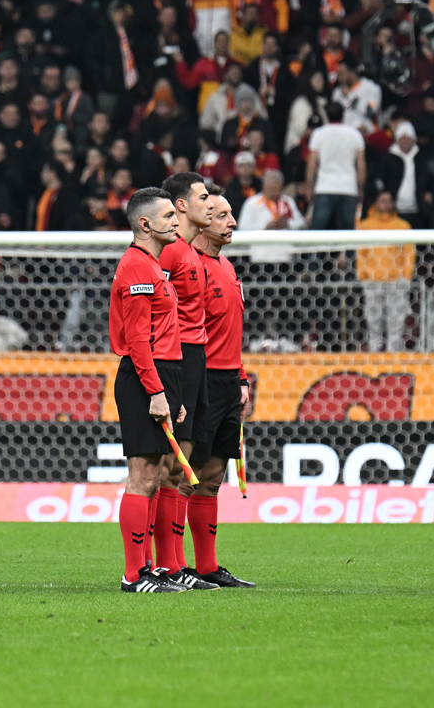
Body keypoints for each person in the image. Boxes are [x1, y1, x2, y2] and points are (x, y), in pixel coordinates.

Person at [110, 187, 188, 594]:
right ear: (145, 224)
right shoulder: (137, 267)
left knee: (156, 474)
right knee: (141, 475)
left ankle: (148, 569)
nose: (176, 222)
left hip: (162, 374)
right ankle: (133, 575)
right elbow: (138, 339)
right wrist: (156, 391)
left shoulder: (154, 268)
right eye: (168, 217)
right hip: (146, 374)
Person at [182, 184, 255, 589]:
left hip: (229, 381)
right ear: (203, 220)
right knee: (186, 475)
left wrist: (241, 378)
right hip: (202, 380)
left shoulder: (227, 267)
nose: (232, 222)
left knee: (212, 477)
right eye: (224, 215)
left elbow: (230, 333)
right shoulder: (189, 266)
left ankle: (207, 567)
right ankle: (175, 567)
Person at [153, 172, 216, 590]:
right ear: (180, 205)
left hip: (196, 357)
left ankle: (178, 567)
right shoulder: (171, 252)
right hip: (174, 357)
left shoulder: (192, 251)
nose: (210, 203)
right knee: (166, 466)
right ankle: (164, 566)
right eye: (204, 196)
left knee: (183, 466)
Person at [355, 191, 414, 352]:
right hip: (372, 279)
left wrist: (406, 275)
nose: (386, 204)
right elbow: (361, 252)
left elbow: (408, 252)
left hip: (396, 280)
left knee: (396, 319)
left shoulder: (403, 226)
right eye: (382, 201)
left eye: (389, 201)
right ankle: (374, 350)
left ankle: (393, 352)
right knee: (373, 318)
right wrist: (363, 274)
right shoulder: (366, 226)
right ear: (376, 202)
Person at [304, 102, 365, 231]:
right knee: (348, 234)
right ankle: (348, 253)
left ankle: (315, 252)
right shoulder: (355, 135)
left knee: (317, 234)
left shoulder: (318, 134)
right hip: (348, 188)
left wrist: (309, 187)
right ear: (343, 115)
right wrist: (360, 188)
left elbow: (312, 164)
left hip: (324, 187)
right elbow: (361, 166)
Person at [238, 169, 306, 262]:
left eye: (276, 189)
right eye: (270, 188)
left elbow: (301, 223)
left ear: (281, 187)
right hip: (260, 256)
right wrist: (265, 226)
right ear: (264, 187)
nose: (273, 192)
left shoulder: (288, 202)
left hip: (285, 256)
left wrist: (287, 224)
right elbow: (243, 228)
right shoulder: (252, 203)